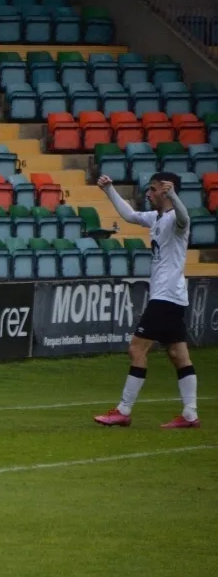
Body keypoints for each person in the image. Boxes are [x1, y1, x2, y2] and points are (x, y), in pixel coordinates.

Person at [93, 172, 200, 429]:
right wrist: (109, 190)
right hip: (172, 296)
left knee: (137, 349)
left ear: (164, 191)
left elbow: (185, 218)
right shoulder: (157, 218)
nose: (148, 194)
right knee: (177, 354)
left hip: (165, 296)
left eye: (152, 190)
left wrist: (173, 195)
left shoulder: (176, 218)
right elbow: (130, 215)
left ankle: (124, 410)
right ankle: (190, 414)